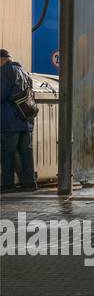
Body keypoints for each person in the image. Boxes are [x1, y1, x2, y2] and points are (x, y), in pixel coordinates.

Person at [0, 49, 38, 192]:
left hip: (10, 122)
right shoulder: (24, 72)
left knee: (7, 154)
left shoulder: (5, 72)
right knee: (26, 153)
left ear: (2, 60)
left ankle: (7, 184)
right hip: (26, 120)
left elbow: (1, 94)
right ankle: (29, 183)